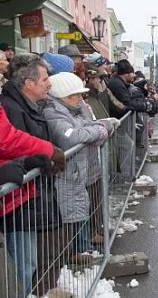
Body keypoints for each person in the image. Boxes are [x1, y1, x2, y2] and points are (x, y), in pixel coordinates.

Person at [0, 54, 65, 296]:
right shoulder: (12, 107)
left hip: (23, 198)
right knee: (21, 269)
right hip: (17, 201)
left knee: (26, 265)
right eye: (45, 78)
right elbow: (8, 140)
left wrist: (36, 156)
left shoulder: (22, 105)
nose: (50, 83)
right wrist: (47, 151)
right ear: (28, 83)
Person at [43, 72, 116, 266]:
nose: (79, 99)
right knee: (72, 213)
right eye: (73, 96)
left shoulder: (71, 109)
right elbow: (71, 137)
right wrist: (99, 131)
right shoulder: (53, 112)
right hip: (67, 175)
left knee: (81, 208)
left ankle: (82, 247)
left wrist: (97, 129)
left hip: (77, 173)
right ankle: (75, 251)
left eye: (79, 95)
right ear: (60, 96)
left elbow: (86, 126)